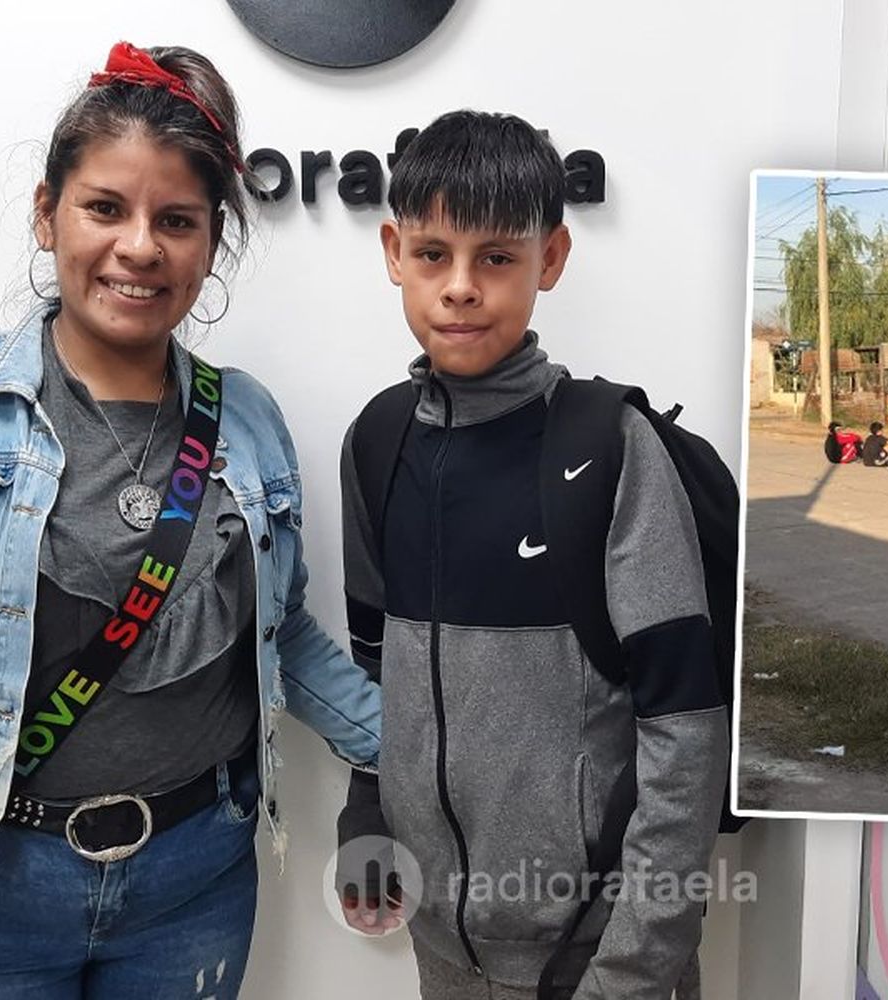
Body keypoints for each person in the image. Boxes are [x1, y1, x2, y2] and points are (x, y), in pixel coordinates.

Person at [0, 42, 381, 1000]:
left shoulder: (250, 421)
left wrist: (417, 753)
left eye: (178, 220)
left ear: (211, 242)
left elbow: (287, 639)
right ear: (47, 214)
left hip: (195, 882)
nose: (140, 246)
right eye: (105, 207)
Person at [336, 110, 728, 1000]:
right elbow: (374, 668)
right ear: (394, 250)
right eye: (434, 253)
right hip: (442, 957)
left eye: (498, 258)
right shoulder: (378, 440)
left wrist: (630, 971)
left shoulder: (611, 449)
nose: (461, 287)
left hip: (599, 965)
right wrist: (366, 814)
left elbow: (686, 731)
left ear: (550, 260)